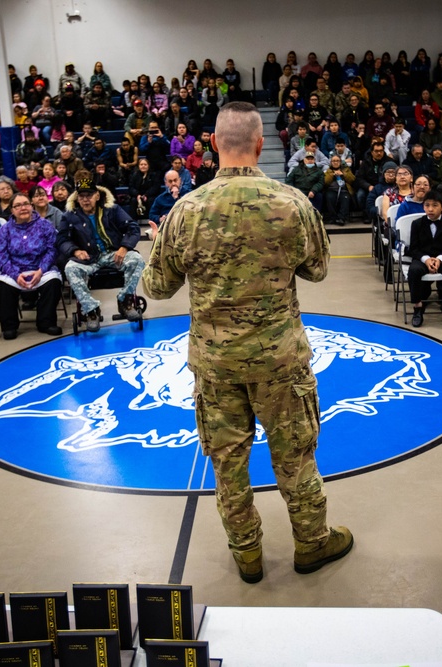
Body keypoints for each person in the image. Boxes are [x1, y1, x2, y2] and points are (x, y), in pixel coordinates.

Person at [141, 101, 350, 584]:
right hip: (279, 360)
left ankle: (248, 554)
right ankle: (312, 543)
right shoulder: (292, 202)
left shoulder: (185, 209)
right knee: (295, 455)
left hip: (216, 364)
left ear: (213, 144)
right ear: (261, 144)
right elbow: (317, 269)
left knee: (228, 461)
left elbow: (157, 286)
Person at [57, 172, 144, 331]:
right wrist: (75, 251)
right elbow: (61, 240)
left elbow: (133, 228)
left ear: (97, 196)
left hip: (113, 253)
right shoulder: (70, 216)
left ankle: (125, 300)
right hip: (88, 257)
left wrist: (124, 247)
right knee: (70, 268)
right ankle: (91, 310)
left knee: (137, 260)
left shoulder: (113, 209)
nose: (85, 199)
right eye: (81, 196)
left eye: (89, 195)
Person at [0, 192, 63, 339]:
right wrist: (15, 275)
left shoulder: (45, 225)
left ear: (31, 206)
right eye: (17, 206)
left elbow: (52, 250)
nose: (22, 208)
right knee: (2, 286)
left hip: (41, 269)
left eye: (25, 204)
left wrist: (41, 270)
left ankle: (46, 322)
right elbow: (1, 256)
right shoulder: (4, 229)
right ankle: (9, 326)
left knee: (53, 283)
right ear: (12, 210)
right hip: (14, 271)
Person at [404, 191, 442, 327]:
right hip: (423, 257)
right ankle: (418, 307)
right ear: (423, 207)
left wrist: (439, 259)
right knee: (414, 271)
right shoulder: (417, 224)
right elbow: (414, 248)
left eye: (434, 205)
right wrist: (426, 259)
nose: (430, 209)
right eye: (427, 205)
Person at [323, 154, 355, 225]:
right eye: (333, 161)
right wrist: (333, 175)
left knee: (345, 198)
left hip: (344, 190)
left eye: (337, 161)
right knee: (329, 197)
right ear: (331, 162)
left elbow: (352, 180)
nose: (335, 162)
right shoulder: (328, 171)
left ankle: (341, 218)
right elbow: (325, 182)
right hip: (331, 190)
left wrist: (343, 174)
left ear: (340, 162)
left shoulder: (346, 169)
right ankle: (333, 217)